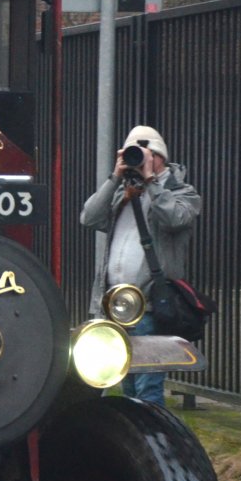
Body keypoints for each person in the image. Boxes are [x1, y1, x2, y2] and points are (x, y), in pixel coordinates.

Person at [80, 125, 201, 407]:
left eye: (146, 155)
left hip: (149, 307)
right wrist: (115, 178)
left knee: (147, 389)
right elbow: (88, 217)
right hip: (116, 308)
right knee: (126, 384)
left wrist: (151, 181)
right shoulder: (122, 193)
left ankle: (150, 441)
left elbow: (175, 219)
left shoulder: (182, 192)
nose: (139, 160)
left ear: (159, 158)